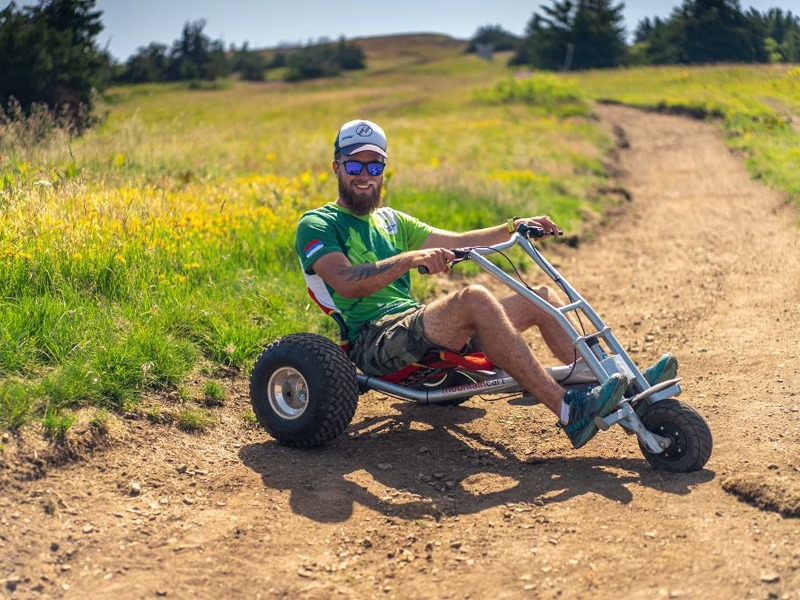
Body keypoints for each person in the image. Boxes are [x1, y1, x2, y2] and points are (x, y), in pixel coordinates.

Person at [295, 119, 677, 449]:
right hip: (372, 339)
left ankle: (618, 383)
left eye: (374, 165)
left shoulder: (391, 220)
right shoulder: (318, 223)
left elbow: (459, 241)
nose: (364, 175)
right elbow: (346, 283)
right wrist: (409, 259)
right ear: (337, 166)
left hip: (414, 324)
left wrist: (513, 227)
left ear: (383, 169)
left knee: (539, 298)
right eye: (354, 164)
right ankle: (568, 411)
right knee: (474, 298)